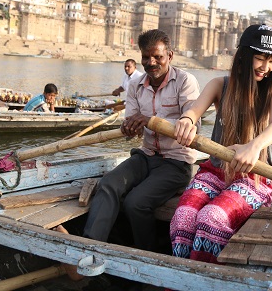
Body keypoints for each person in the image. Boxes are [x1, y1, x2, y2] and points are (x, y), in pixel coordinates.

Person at [170, 24, 272, 264]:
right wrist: (186, 120)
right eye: (260, 58)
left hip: (253, 178)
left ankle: (207, 280)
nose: (266, 67)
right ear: (244, 56)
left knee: (211, 217)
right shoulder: (219, 84)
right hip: (214, 171)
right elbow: (194, 110)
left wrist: (253, 146)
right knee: (183, 217)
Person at [82, 29, 201, 253]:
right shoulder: (136, 86)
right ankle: (90, 248)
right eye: (146, 57)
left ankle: (146, 254)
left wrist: (150, 120)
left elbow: (190, 125)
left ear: (170, 56)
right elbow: (133, 125)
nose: (151, 62)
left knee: (135, 203)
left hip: (176, 162)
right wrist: (130, 128)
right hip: (145, 156)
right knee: (108, 185)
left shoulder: (185, 81)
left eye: (158, 57)